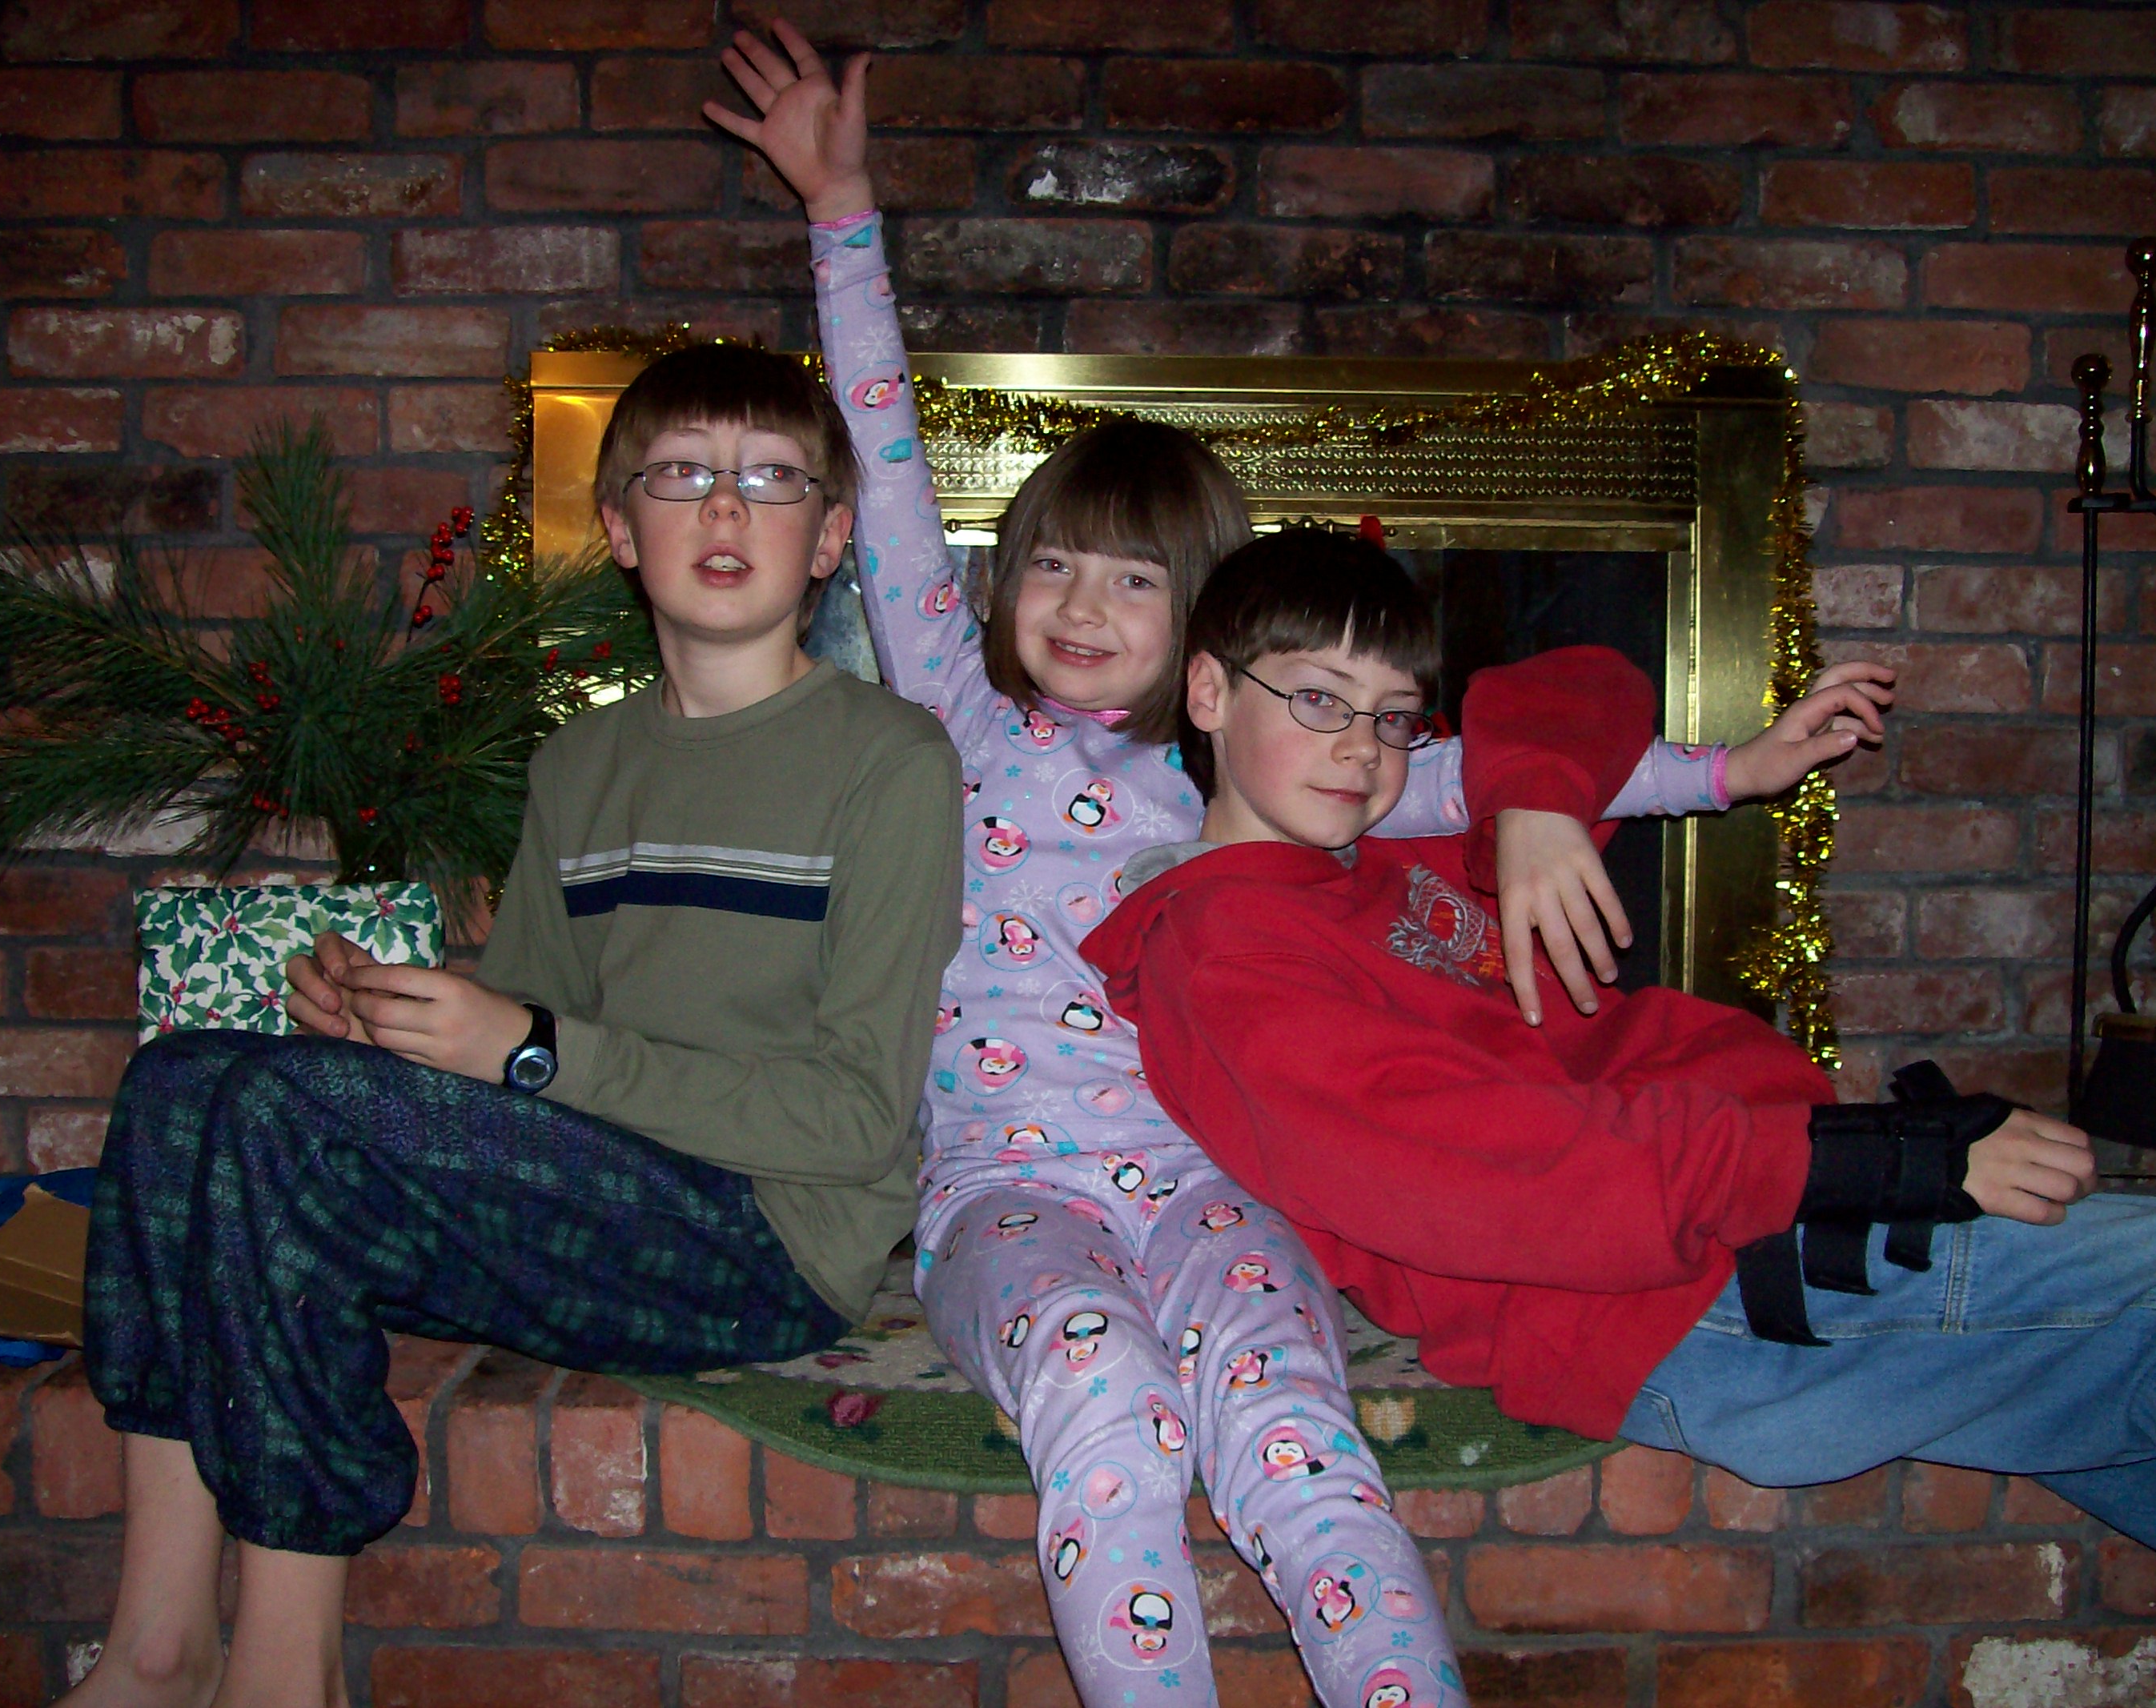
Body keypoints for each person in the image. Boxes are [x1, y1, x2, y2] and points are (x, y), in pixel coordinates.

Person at [704, 25, 1856, 1706]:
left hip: (1211, 1187)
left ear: (1205, 642)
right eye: (1055, 566)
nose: (1084, 605)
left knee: (1293, 1425)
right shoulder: (951, 722)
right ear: (1005, 585)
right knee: (1106, 1393)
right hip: (1006, 1196)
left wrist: (1728, 769)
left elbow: (1456, 770)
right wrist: (841, 214)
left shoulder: (1239, 782)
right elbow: (882, 468)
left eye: (1136, 581)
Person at [69, 342, 964, 1708]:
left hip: (765, 1239)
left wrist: (528, 1047)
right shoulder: (581, 762)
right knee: (184, 1085)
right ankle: (157, 1643)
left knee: (278, 1117)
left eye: (772, 479)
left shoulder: (890, 762)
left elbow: (853, 1119)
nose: (726, 507)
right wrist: (387, 1031)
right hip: (603, 1186)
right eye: (683, 475)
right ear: (621, 529)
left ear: (831, 536)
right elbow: (530, 1049)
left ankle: (283, 1676)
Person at [1082, 528, 2156, 1573]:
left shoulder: (1379, 862)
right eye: (1320, 699)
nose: (1361, 748)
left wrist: (1534, 806)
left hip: (1737, 1219)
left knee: (2146, 1424)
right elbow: (1494, 1175)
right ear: (1210, 693)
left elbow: (1588, 679)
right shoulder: (1224, 951)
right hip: (1683, 1298)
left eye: (1394, 717)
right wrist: (1882, 1162)